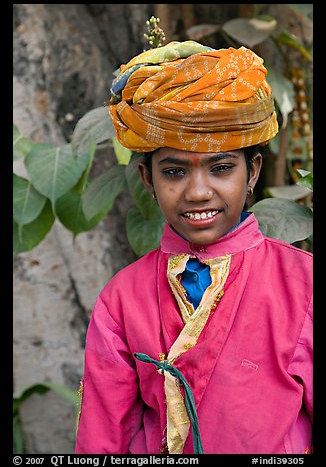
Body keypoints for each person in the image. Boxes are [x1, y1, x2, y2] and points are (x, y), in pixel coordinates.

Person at [75, 41, 313, 455]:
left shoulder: (304, 285)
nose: (198, 192)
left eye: (221, 168)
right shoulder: (121, 300)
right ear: (148, 180)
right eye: (174, 172)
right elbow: (102, 437)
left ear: (252, 171)